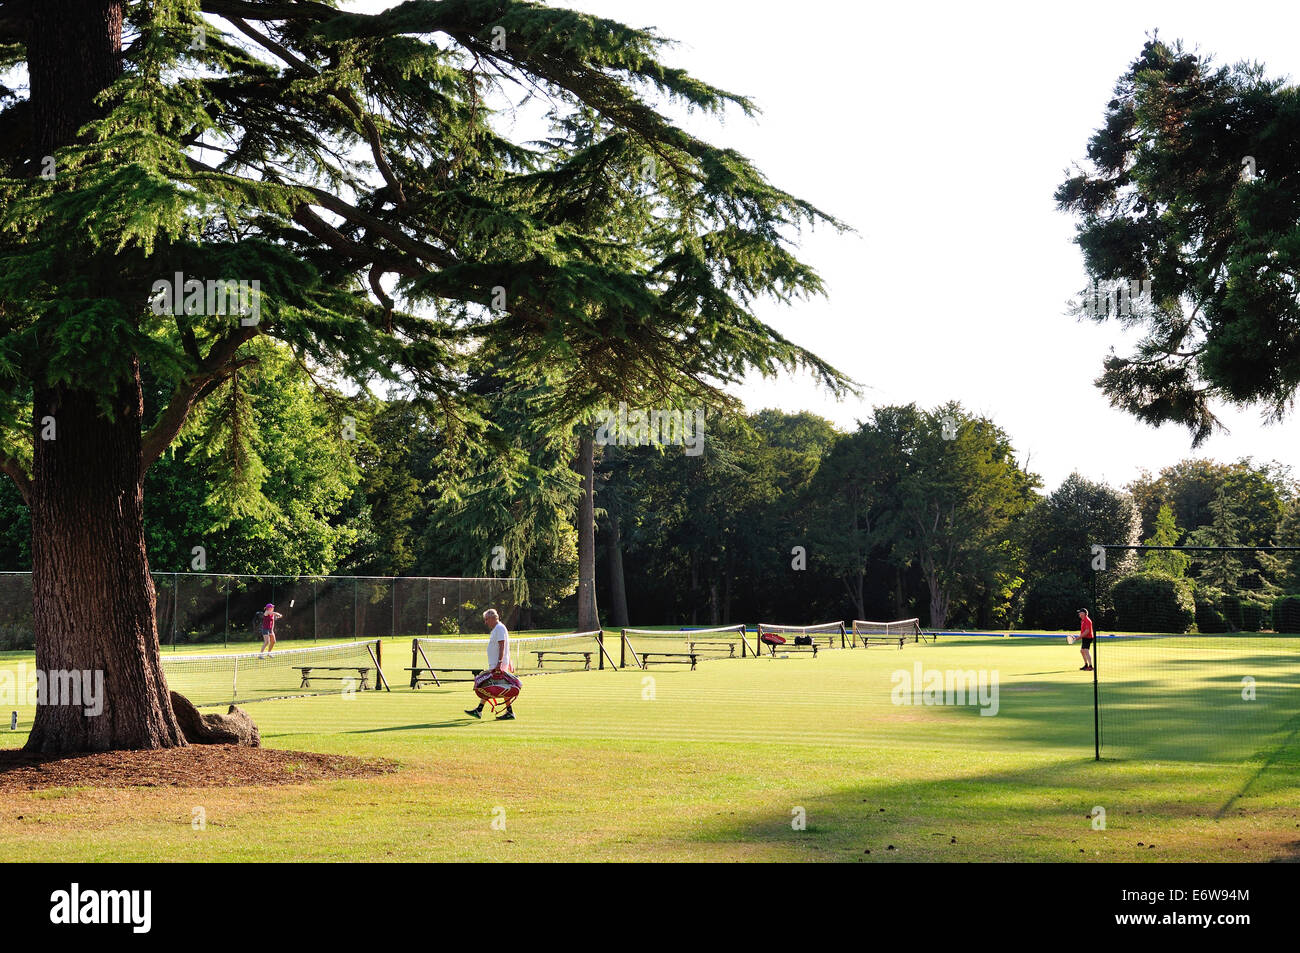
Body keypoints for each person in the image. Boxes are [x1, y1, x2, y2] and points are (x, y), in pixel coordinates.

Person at [466, 608, 515, 720]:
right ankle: (480, 710)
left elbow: (502, 645)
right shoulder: (497, 629)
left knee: (493, 686)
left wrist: (500, 662)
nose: (486, 622)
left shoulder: (499, 628)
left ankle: (480, 710)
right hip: (496, 663)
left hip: (498, 664)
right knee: (493, 686)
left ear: (493, 618)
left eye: (487, 619)